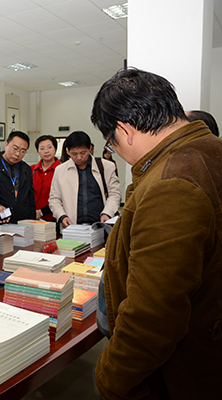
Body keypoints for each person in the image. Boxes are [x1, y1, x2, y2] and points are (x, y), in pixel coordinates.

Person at [90, 68, 222, 399]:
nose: (116, 151)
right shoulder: (210, 149)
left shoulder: (171, 183)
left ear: (124, 130)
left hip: (182, 373)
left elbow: (153, 319)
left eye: (111, 143)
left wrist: (108, 379)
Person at [49, 130, 120, 228]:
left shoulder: (106, 166)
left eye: (83, 153)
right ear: (67, 151)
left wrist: (107, 213)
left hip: (100, 226)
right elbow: (54, 199)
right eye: (74, 154)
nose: (79, 157)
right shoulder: (60, 170)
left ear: (90, 148)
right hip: (72, 227)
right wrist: (62, 216)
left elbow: (115, 194)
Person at [0, 131, 35, 223]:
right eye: (15, 148)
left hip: (22, 221)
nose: (18, 154)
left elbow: (30, 197)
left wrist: (32, 221)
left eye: (22, 151)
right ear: (6, 145)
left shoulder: (26, 169)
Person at [31, 135, 61, 221]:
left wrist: (42, 212)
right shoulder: (32, 169)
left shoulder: (62, 170)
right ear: (38, 151)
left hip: (54, 218)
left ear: (55, 149)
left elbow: (63, 197)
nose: (46, 151)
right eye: (42, 148)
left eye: (49, 147)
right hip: (32, 218)